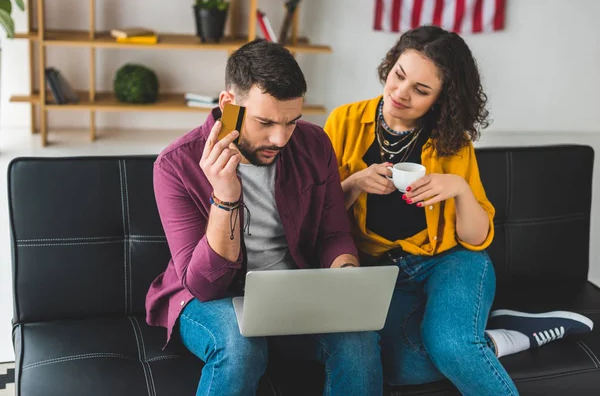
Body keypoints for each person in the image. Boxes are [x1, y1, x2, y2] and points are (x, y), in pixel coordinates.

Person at [324, 25, 594, 395]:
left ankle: (469, 341)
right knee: (400, 367)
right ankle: (501, 338)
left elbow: (475, 238)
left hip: (451, 261)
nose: (401, 93)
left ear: (440, 98)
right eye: (399, 75)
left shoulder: (452, 140)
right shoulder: (343, 122)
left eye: (421, 91)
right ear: (390, 65)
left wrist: (460, 190)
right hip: (381, 270)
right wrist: (354, 184)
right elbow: (321, 219)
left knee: (452, 345)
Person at [145, 39, 383, 396]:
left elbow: (333, 235)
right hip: (210, 300)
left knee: (359, 340)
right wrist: (225, 198)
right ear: (229, 104)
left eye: (291, 122)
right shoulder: (175, 164)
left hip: (292, 291)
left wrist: (344, 281)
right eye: (265, 122)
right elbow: (204, 286)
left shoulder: (314, 144)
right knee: (241, 347)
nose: (280, 138)